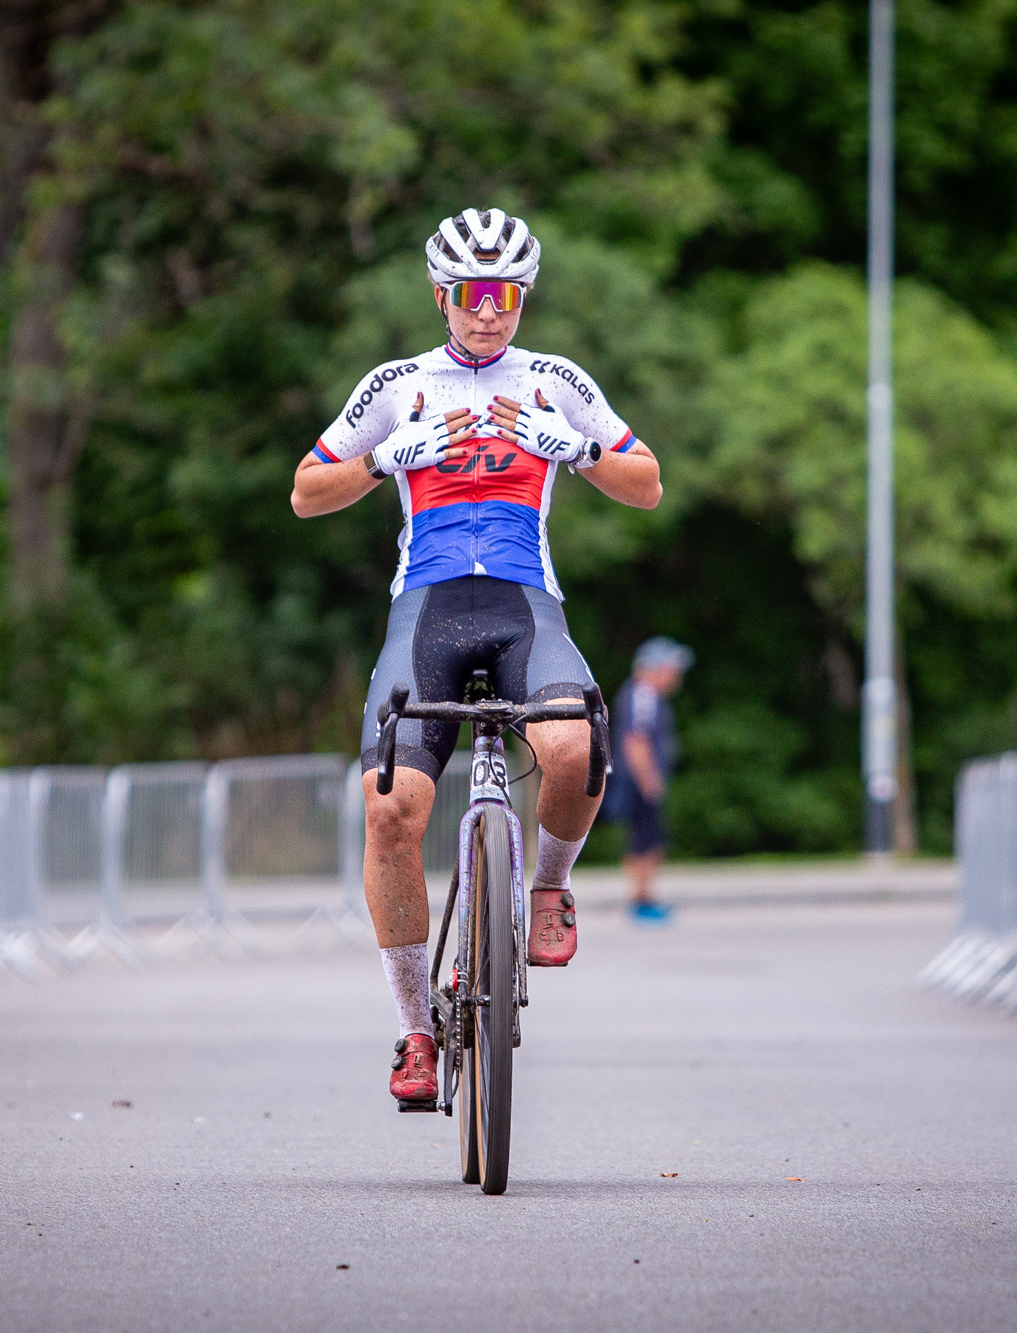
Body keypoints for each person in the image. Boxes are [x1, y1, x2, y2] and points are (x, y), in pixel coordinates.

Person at [291, 208, 663, 1109]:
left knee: (575, 747)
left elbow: (646, 482)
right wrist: (383, 459)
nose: (488, 313)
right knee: (390, 809)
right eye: (471, 295)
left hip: (524, 606)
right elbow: (306, 492)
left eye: (505, 295)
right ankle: (417, 1028)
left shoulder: (556, 381)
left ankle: (547, 887)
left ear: (523, 296)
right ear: (441, 296)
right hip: (424, 614)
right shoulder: (394, 384)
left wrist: (573, 449)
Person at [611, 636, 693, 925]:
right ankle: (641, 899)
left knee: (648, 839)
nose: (676, 677)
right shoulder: (643, 694)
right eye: (672, 669)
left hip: (638, 779)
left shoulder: (645, 694)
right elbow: (636, 739)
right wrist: (649, 780)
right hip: (637, 780)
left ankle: (644, 897)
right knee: (645, 840)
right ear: (654, 668)